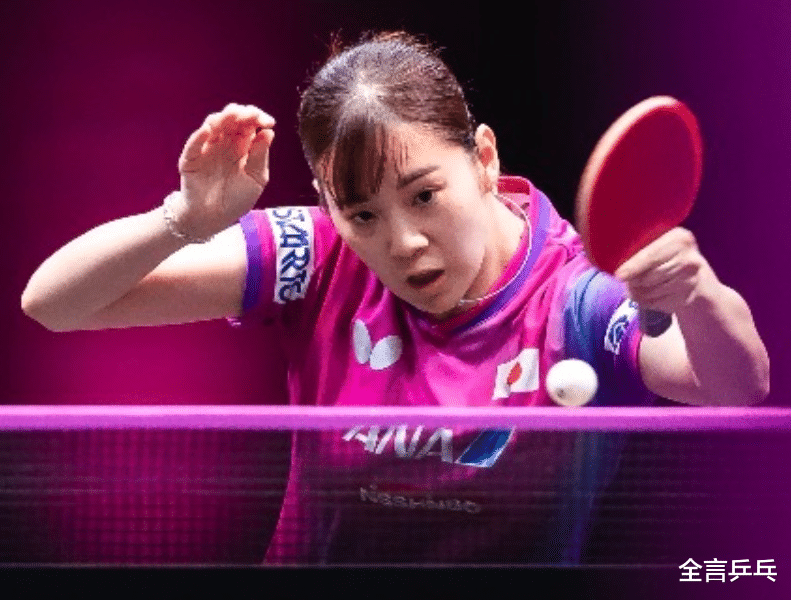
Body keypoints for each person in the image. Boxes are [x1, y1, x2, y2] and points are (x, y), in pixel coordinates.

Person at [21, 32, 768, 564]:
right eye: (364, 214)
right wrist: (184, 219)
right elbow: (54, 303)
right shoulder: (316, 256)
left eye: (424, 195)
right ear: (329, 205)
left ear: (483, 157)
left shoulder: (571, 296)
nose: (402, 242)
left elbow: (736, 387)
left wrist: (696, 292)